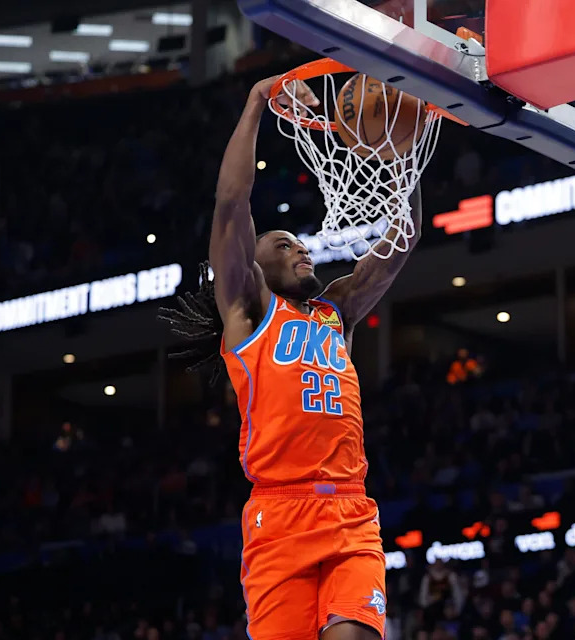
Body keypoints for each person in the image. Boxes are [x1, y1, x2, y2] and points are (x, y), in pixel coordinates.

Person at [160, 74, 423, 640]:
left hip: (352, 511)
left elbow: (403, 240)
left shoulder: (338, 311)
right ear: (256, 269)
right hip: (280, 515)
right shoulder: (249, 314)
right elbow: (231, 204)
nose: (301, 248)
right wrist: (257, 101)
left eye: (301, 243)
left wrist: (404, 157)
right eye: (284, 244)